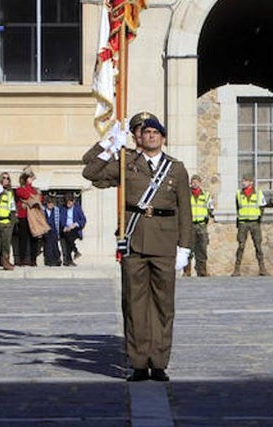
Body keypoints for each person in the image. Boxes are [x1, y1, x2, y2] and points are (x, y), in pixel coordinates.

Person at [82, 116, 193, 382]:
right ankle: (139, 363)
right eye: (147, 132)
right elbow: (90, 172)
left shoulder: (176, 169)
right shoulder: (126, 164)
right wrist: (109, 145)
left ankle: (159, 362)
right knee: (134, 304)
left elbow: (185, 211)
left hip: (165, 243)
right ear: (139, 138)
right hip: (134, 241)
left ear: (163, 138)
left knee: (163, 305)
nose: (152, 136)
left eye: (156, 132)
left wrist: (185, 247)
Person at [233, 175, 268, 276]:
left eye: (246, 181)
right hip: (243, 222)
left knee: (258, 245)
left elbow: (262, 207)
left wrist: (259, 218)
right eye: (243, 180)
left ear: (251, 182)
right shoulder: (239, 193)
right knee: (241, 246)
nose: (243, 182)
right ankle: (237, 269)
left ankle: (262, 268)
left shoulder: (258, 193)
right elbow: (238, 207)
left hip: (254, 222)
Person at [186, 175, 213, 277]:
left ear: (200, 183)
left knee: (202, 248)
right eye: (193, 182)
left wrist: (209, 215)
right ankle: (187, 271)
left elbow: (210, 207)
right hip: (190, 225)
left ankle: (202, 270)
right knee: (189, 248)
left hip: (201, 225)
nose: (194, 184)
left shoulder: (205, 195)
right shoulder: (187, 195)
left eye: (196, 182)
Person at [58, 194, 86, 267]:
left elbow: (83, 220)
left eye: (69, 203)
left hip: (74, 229)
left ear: (73, 201)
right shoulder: (62, 208)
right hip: (65, 228)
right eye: (67, 203)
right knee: (67, 237)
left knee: (69, 237)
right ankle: (75, 252)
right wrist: (64, 226)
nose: (68, 204)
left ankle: (69, 259)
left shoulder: (77, 208)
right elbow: (61, 219)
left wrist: (75, 224)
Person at [42, 196, 63, 267]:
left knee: (54, 242)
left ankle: (55, 258)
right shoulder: (43, 210)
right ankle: (52, 259)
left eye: (52, 203)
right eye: (49, 203)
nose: (50, 205)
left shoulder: (56, 210)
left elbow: (59, 221)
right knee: (49, 242)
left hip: (54, 229)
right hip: (45, 230)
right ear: (46, 203)